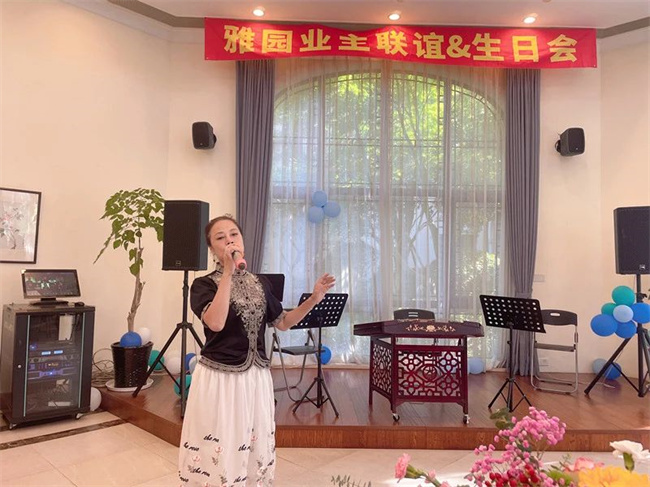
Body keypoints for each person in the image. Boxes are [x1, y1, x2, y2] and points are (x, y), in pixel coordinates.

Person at [178, 214, 336, 487]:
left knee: (253, 439)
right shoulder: (203, 285)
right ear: (213, 249)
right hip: (221, 377)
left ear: (242, 240)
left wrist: (314, 299)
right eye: (220, 238)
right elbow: (215, 322)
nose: (229, 240)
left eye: (234, 234)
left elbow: (283, 322)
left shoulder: (260, 283)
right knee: (222, 440)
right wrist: (228, 273)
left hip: (256, 375)